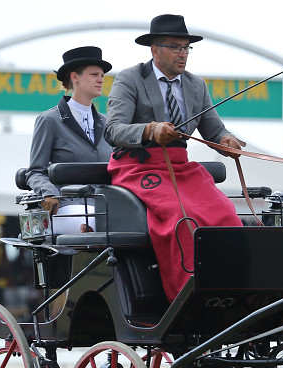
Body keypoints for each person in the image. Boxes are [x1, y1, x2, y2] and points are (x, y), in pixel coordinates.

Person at [104, 14, 246, 301]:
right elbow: (113, 129)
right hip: (139, 166)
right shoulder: (130, 78)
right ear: (155, 50)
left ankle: (235, 289)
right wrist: (150, 130)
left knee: (227, 215)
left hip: (180, 167)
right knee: (182, 217)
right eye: (176, 47)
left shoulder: (196, 85)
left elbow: (214, 129)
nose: (183, 54)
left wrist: (225, 140)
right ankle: (188, 294)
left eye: (186, 48)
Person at [27, 46, 113, 233]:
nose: (101, 80)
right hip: (66, 205)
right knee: (100, 224)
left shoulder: (108, 123)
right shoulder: (49, 120)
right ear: (75, 77)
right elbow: (35, 171)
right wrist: (48, 192)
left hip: (105, 203)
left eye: (102, 76)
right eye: (94, 74)